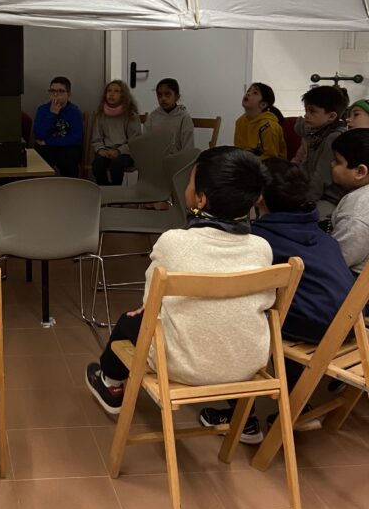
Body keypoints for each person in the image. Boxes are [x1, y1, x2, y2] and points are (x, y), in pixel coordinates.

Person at [85, 148, 273, 439]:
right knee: (229, 326)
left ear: (201, 199)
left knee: (129, 321)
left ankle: (110, 383)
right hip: (248, 364)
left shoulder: (174, 242)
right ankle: (243, 419)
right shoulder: (262, 248)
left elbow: (151, 305)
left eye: (190, 182)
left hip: (181, 365)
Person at [198, 159, 355, 437]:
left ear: (257, 197)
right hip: (350, 327)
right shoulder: (321, 235)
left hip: (315, 327)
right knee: (287, 307)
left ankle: (241, 418)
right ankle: (297, 407)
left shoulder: (261, 240)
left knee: (241, 315)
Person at [297, 84, 347, 219]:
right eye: (306, 110)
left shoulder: (334, 137)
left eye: (312, 111)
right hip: (314, 192)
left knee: (303, 217)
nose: (306, 115)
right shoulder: (317, 132)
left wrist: (305, 202)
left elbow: (321, 177)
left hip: (331, 198)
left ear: (331, 116)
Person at [329, 128, 369, 274]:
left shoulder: (355, 216)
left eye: (337, 161)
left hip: (352, 280)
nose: (332, 164)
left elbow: (335, 262)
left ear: (360, 172)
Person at [90, 79, 142, 185]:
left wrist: (119, 151)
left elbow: (134, 141)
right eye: (109, 91)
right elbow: (96, 138)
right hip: (106, 151)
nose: (112, 94)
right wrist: (100, 150)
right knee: (97, 163)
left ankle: (116, 189)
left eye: (117, 91)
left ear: (123, 95)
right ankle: (106, 189)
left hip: (126, 153)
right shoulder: (101, 115)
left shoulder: (131, 115)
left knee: (116, 164)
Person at [34, 76, 85, 177]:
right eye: (52, 91)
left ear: (68, 95)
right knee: (40, 154)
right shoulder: (42, 110)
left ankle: (69, 186)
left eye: (60, 91)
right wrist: (52, 115)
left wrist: (48, 141)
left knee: (69, 158)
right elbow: (39, 134)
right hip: (47, 149)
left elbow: (76, 139)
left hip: (67, 148)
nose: (56, 94)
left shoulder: (74, 112)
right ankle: (44, 185)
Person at [234, 83, 286, 160]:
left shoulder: (268, 126)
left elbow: (271, 158)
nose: (248, 93)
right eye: (248, 91)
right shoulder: (240, 121)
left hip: (271, 165)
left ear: (263, 104)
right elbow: (239, 149)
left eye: (255, 93)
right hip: (247, 162)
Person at [145, 78, 195, 154]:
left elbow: (188, 147)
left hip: (177, 158)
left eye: (167, 94)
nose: (163, 98)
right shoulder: (153, 116)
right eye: (159, 95)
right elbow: (145, 142)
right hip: (155, 157)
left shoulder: (184, 117)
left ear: (177, 97)